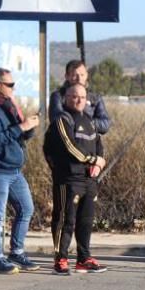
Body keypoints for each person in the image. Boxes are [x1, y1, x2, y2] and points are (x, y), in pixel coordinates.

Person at [0, 68, 41, 275]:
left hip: (14, 169)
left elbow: (16, 136)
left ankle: (16, 251)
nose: (13, 88)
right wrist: (21, 127)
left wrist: (29, 127)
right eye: (9, 84)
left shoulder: (7, 106)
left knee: (26, 208)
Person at [43, 83, 107, 275]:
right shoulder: (63, 120)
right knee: (65, 220)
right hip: (68, 179)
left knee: (86, 220)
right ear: (66, 98)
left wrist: (98, 163)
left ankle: (83, 258)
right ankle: (60, 259)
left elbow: (98, 144)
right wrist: (92, 159)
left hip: (88, 180)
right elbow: (70, 147)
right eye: (74, 96)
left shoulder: (89, 120)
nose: (78, 100)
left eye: (81, 97)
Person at [48, 60, 112, 135]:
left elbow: (105, 123)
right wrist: (76, 120)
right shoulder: (58, 96)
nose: (79, 79)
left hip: (90, 143)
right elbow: (56, 119)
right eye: (75, 75)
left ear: (87, 75)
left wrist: (87, 123)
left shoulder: (95, 98)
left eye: (82, 75)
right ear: (67, 76)